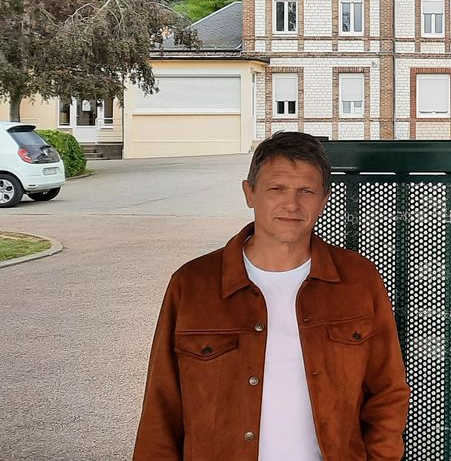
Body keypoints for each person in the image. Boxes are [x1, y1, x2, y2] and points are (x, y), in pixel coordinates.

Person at [133, 132, 410, 460]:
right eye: (276, 189)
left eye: (306, 191)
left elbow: (387, 392)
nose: (291, 204)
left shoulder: (359, 281)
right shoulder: (192, 285)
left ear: (324, 199)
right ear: (249, 193)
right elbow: (162, 408)